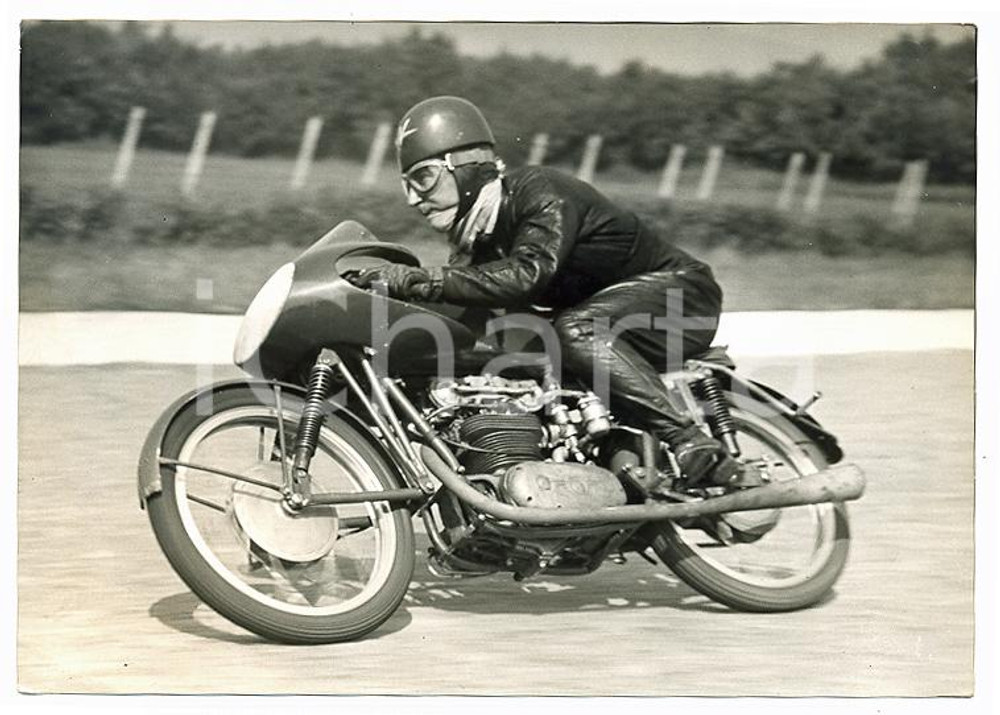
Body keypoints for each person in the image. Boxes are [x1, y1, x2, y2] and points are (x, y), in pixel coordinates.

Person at [356, 95, 754, 488]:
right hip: (609, 322)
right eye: (406, 185)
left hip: (681, 297)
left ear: (465, 166)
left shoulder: (539, 191)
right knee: (524, 355)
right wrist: (378, 305)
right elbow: (462, 308)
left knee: (576, 329)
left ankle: (690, 441)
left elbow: (528, 273)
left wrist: (419, 279)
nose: (412, 199)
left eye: (422, 178)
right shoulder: (477, 243)